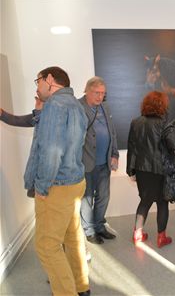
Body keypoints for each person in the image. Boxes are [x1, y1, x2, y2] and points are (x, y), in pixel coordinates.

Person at [23, 66, 90, 295]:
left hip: (57, 185)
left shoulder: (54, 105)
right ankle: (81, 286)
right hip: (75, 182)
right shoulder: (76, 105)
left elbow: (52, 151)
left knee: (46, 246)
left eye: (38, 81)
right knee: (72, 237)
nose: (38, 86)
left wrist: (41, 186)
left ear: (49, 79)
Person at [126, 91, 175, 246]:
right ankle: (161, 237)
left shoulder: (135, 122)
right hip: (160, 170)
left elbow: (132, 148)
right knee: (162, 203)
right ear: (163, 106)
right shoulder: (163, 123)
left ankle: (137, 235)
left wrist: (131, 171)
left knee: (144, 202)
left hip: (142, 170)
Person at [79, 76, 120, 245]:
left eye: (103, 93)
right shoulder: (78, 107)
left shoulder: (105, 106)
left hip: (104, 162)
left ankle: (99, 225)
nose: (100, 97)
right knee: (87, 199)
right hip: (86, 162)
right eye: (97, 93)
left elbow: (112, 132)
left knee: (103, 196)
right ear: (87, 91)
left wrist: (115, 154)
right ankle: (89, 230)